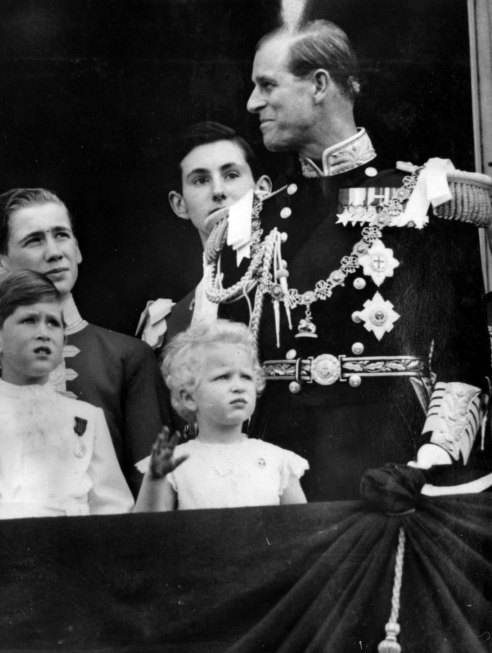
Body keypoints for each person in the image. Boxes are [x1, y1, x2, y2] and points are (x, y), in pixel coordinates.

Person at [204, 21, 492, 500]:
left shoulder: (425, 199)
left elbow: (462, 361)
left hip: (393, 466)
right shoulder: (248, 221)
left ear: (319, 85)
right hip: (275, 470)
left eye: (267, 85)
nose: (253, 103)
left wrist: (431, 463)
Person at [0, 188, 173, 495]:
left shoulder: (127, 357)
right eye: (34, 240)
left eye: (61, 235)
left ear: (78, 249)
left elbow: (151, 483)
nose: (54, 252)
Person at [0, 269, 133, 519]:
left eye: (53, 322)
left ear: (63, 340)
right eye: (29, 320)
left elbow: (112, 505)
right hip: (1, 538)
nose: (44, 332)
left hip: (75, 537)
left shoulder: (86, 416)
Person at [134, 320, 307, 511]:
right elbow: (148, 525)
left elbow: (304, 524)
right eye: (223, 377)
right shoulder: (175, 462)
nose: (239, 387)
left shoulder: (278, 460)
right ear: (189, 397)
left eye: (246, 377)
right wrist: (154, 481)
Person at [137, 122, 271, 350]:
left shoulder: (296, 282)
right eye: (201, 180)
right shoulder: (171, 323)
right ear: (180, 204)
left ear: (263, 190)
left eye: (231, 175)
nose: (218, 191)